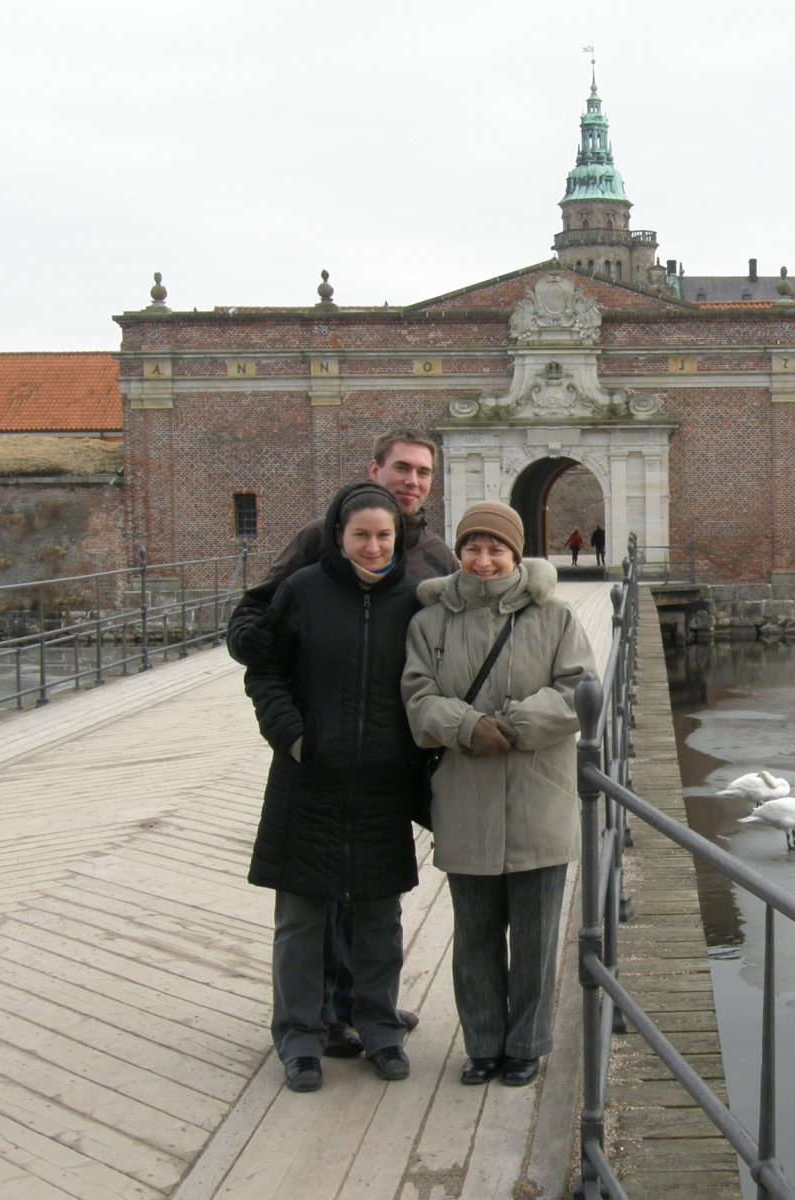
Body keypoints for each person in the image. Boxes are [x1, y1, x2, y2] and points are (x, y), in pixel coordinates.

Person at [227, 431, 456, 1058]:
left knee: (374, 896)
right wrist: (290, 725)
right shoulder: (315, 543)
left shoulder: (433, 556)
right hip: (320, 752)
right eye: (401, 469)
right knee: (314, 901)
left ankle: (363, 1007)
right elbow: (259, 615)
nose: (412, 481)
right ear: (374, 470)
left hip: (386, 758)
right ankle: (319, 1015)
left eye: (423, 473)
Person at [401, 501, 596, 1088]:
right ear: (458, 552)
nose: (483, 561)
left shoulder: (555, 618)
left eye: (496, 549)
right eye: (472, 548)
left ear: (517, 555)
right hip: (466, 797)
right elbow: (416, 697)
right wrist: (465, 727)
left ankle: (527, 1045)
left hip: (540, 794)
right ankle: (483, 1043)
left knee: (536, 936)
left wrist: (511, 725)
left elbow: (580, 691)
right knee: (476, 934)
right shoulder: (428, 624)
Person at [242, 483, 421, 1093]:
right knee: (300, 915)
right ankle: (299, 1036)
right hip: (308, 776)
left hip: (380, 782)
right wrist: (292, 735)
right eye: (360, 535)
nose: (373, 547)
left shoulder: (413, 602)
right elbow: (264, 667)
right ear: (338, 537)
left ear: (397, 538)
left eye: (383, 536)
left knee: (379, 913)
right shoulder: (304, 590)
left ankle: (379, 1027)